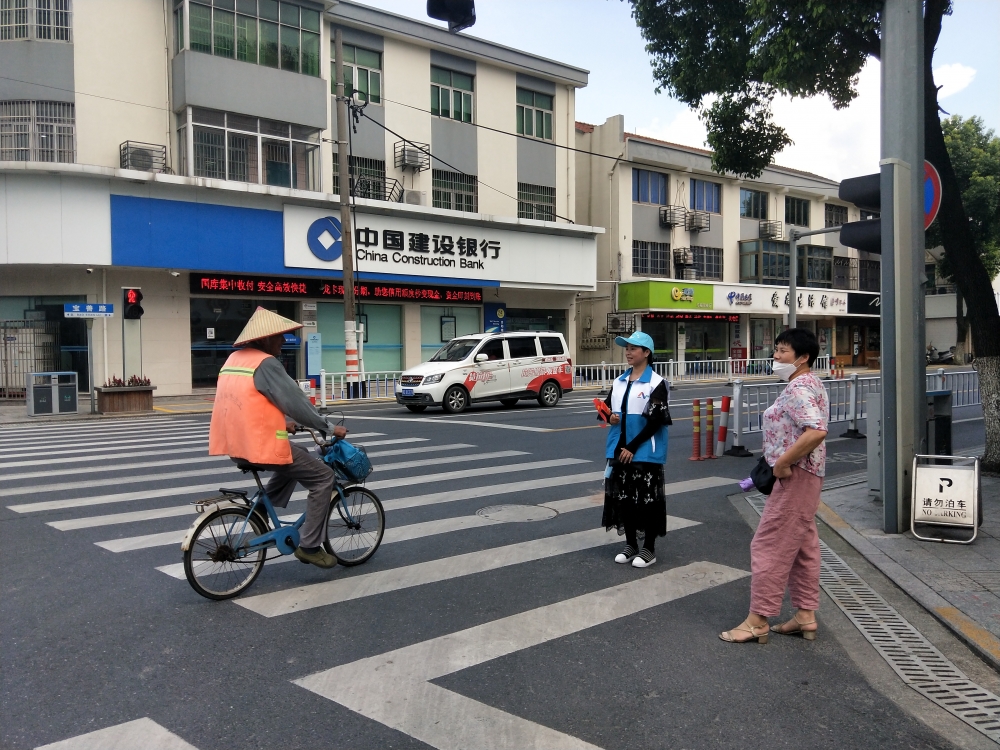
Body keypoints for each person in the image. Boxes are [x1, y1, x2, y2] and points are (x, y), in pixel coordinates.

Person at [208, 306, 347, 569]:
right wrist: (328, 428)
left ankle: (261, 509)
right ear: (265, 338)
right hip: (260, 446)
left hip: (236, 444)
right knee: (323, 477)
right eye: (280, 336)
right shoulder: (266, 363)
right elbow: (296, 402)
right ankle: (310, 547)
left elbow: (247, 403)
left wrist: (284, 424)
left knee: (299, 456)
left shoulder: (235, 360)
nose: (285, 341)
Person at [720, 328, 829, 644]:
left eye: (782, 351)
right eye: (776, 349)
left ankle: (757, 620)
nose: (776, 356)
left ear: (802, 357)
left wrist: (782, 463)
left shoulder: (799, 388)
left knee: (769, 543)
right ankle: (805, 615)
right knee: (803, 546)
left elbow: (816, 431)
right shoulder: (810, 383)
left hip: (795, 475)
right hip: (808, 474)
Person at [601, 331, 671, 568]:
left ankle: (649, 549)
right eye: (627, 348)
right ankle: (631, 544)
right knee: (624, 498)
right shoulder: (619, 381)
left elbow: (656, 421)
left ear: (646, 353)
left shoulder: (656, 383)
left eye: (633, 348)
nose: (628, 352)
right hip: (619, 448)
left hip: (644, 451)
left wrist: (632, 447)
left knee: (647, 499)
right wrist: (608, 416)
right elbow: (606, 409)